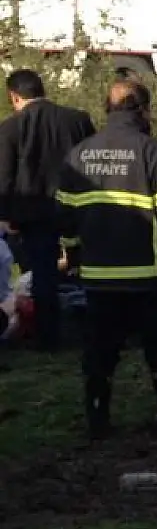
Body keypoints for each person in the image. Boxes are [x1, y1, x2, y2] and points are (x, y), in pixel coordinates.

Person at [56, 80, 157, 438]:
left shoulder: (79, 155)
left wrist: (73, 256)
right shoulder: (154, 152)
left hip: (99, 277)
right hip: (150, 276)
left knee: (100, 353)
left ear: (107, 110)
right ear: (144, 109)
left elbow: (65, 218)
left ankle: (97, 421)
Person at [0, 69, 96, 351]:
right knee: (90, 268)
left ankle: (48, 337)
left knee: (43, 274)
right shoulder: (77, 120)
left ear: (14, 96)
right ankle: (97, 328)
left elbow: (4, 177)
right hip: (78, 209)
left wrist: (6, 216)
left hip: (34, 213)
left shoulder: (10, 128)